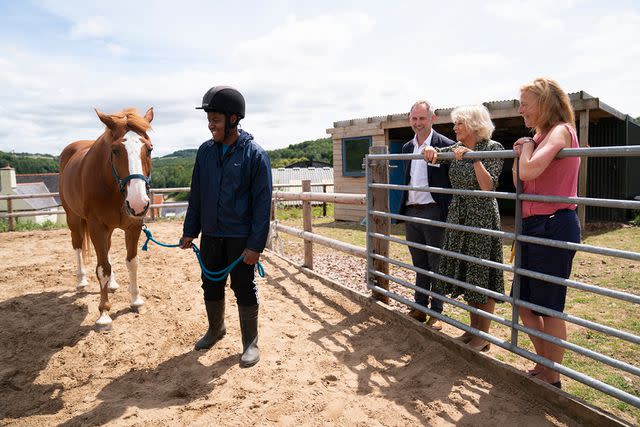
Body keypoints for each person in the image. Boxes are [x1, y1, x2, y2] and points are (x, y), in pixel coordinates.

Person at [180, 85, 272, 368]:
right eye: (209, 120)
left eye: (215, 120)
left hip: (240, 237)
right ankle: (216, 329)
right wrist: (189, 230)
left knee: (243, 287)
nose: (210, 126)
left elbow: (262, 205)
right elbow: (197, 194)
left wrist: (256, 245)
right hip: (211, 234)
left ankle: (250, 343)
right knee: (211, 283)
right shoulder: (205, 153)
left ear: (233, 119)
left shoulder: (255, 155)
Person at [512, 77, 581, 389]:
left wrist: (525, 149)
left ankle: (552, 377)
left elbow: (528, 171)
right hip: (531, 225)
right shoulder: (538, 136)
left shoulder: (560, 131)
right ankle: (545, 365)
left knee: (549, 306)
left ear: (544, 103)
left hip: (554, 224)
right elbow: (520, 182)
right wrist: (525, 151)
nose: (521, 109)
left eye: (525, 102)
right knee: (523, 303)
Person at [423, 105, 505, 351]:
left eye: (459, 123)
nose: (455, 128)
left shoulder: (493, 148)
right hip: (459, 215)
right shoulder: (455, 148)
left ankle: (484, 336)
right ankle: (472, 331)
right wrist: (429, 150)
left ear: (473, 124)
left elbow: (488, 187)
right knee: (469, 274)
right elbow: (435, 152)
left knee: (482, 275)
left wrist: (474, 159)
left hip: (481, 216)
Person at [399, 100, 455, 330]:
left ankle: (437, 312)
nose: (418, 123)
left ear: (433, 119)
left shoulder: (447, 145)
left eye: (422, 118)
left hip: (434, 210)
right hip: (412, 211)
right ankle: (419, 307)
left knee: (437, 263)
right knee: (419, 262)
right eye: (414, 118)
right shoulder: (407, 147)